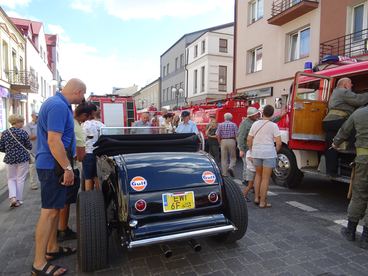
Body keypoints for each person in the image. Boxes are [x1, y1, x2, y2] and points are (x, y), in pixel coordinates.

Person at [32, 78, 86, 276]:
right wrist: (67, 168)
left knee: (54, 210)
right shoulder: (58, 106)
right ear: (78, 92)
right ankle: (39, 263)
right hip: (53, 166)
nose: (82, 99)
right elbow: (54, 141)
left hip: (53, 165)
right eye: (83, 94)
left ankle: (52, 248)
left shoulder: (56, 104)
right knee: (49, 212)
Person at [332, 106, 368, 249]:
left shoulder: (359, 113)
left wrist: (335, 143)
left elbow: (344, 131)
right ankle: (366, 238)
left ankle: (350, 230)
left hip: (363, 159)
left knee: (359, 195)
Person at [57, 102, 92, 242]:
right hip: (71, 167)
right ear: (83, 115)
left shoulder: (70, 122)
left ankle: (60, 228)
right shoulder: (76, 127)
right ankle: (62, 229)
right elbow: (80, 154)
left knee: (62, 200)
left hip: (63, 166)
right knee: (66, 201)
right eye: (88, 117)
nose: (87, 120)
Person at [322, 78, 368, 176]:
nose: (352, 85)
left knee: (331, 147)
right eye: (351, 83)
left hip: (329, 122)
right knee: (357, 130)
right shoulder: (342, 91)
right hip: (337, 120)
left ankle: (331, 171)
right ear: (345, 85)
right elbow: (358, 100)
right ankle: (354, 155)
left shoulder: (335, 93)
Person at [248, 105, 281, 208]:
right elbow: (279, 143)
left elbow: (249, 139)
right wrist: (275, 151)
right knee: (265, 178)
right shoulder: (273, 126)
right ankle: (263, 202)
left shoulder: (255, 124)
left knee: (258, 175)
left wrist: (251, 150)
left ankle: (256, 198)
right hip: (268, 153)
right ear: (272, 114)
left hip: (256, 153)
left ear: (262, 113)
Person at [0, 114, 32, 207]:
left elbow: (1, 147)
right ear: (17, 122)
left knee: (11, 178)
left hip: (10, 159)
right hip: (22, 159)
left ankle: (12, 197)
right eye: (22, 121)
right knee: (20, 179)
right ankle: (18, 199)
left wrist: (10, 151)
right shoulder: (23, 133)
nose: (23, 123)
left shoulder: (5, 133)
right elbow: (29, 146)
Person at [83, 104, 105, 190]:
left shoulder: (84, 125)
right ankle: (99, 196)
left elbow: (82, 140)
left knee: (88, 177)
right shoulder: (102, 125)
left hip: (88, 154)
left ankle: (89, 198)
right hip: (99, 153)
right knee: (97, 176)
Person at [237, 107, 260, 185]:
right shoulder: (244, 123)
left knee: (251, 165)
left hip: (253, 148)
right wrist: (241, 149)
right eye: (256, 114)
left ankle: (249, 180)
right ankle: (246, 180)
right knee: (247, 165)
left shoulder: (256, 121)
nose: (258, 115)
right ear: (251, 115)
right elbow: (240, 136)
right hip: (246, 148)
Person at [216, 113, 238, 177]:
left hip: (223, 141)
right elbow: (236, 135)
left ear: (224, 118)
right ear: (231, 118)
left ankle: (224, 173)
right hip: (231, 140)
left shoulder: (220, 125)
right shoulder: (234, 125)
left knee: (223, 158)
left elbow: (217, 134)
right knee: (233, 157)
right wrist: (237, 143)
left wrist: (219, 142)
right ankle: (231, 167)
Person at [24, 111, 39, 190]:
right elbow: (29, 137)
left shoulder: (41, 124)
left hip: (40, 149)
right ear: (32, 116)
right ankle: (33, 184)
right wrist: (40, 134)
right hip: (32, 149)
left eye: (38, 116)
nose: (37, 118)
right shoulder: (28, 126)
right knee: (33, 167)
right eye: (36, 116)